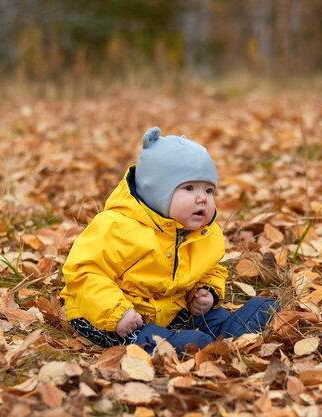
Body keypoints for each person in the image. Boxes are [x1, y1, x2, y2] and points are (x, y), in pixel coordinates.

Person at [61, 126, 276, 354]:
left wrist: (207, 292)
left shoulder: (204, 233)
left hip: (171, 312)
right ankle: (171, 345)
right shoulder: (116, 226)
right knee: (132, 334)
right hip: (112, 314)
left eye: (209, 190)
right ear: (156, 192)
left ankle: (229, 330)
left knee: (206, 316)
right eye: (189, 188)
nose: (202, 198)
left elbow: (211, 270)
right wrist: (117, 312)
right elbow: (84, 273)